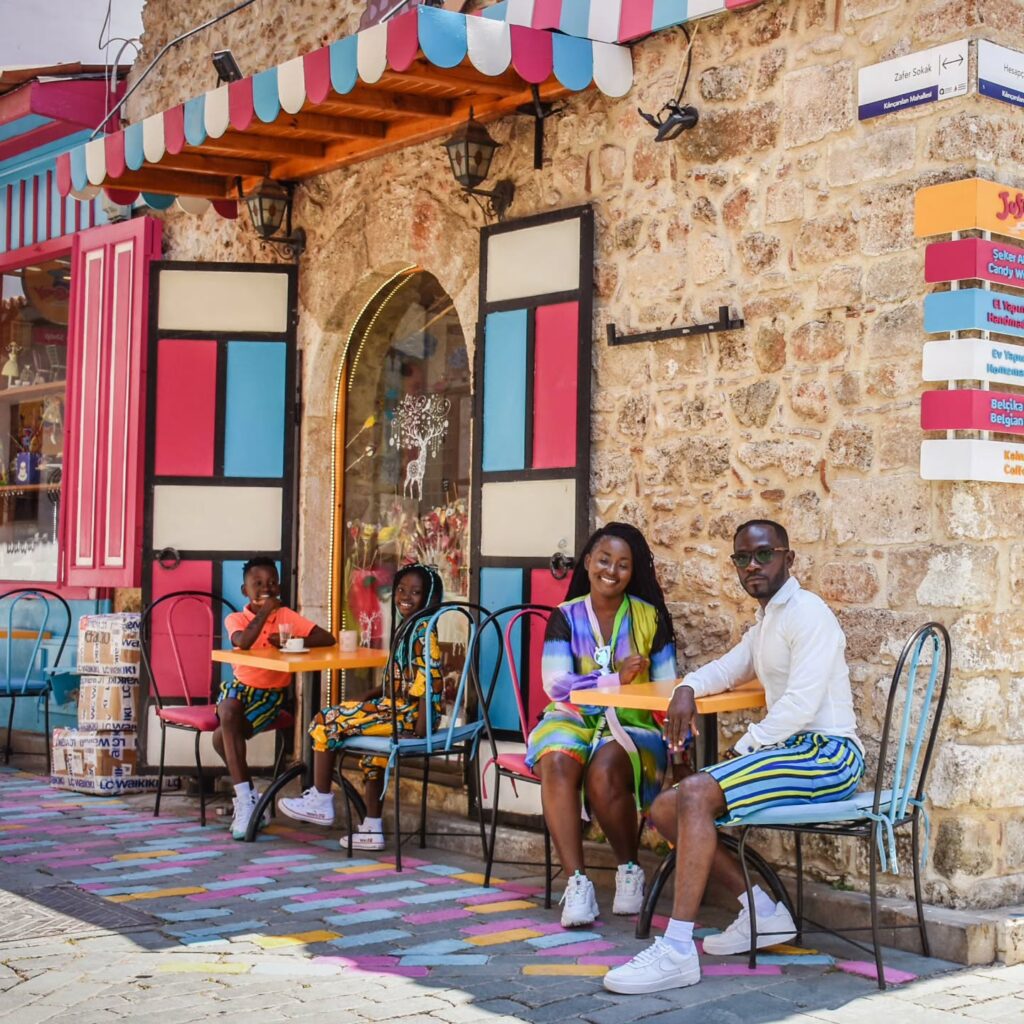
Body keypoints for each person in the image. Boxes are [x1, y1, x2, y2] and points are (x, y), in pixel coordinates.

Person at [604, 519, 865, 995]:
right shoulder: (768, 622)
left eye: (764, 555)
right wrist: (685, 687)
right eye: (742, 559)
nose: (752, 566)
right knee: (665, 807)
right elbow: (727, 668)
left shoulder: (808, 614)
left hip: (829, 755)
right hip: (793, 750)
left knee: (698, 791)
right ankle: (761, 913)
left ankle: (678, 950)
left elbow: (802, 705)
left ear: (789, 558)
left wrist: (743, 746)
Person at [526, 522, 678, 928]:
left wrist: (677, 747)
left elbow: (667, 687)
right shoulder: (566, 616)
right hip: (573, 716)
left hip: (634, 723)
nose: (612, 570)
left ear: (634, 572)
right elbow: (555, 684)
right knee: (556, 758)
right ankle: (577, 884)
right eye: (604, 560)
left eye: (623, 564)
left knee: (606, 770)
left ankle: (629, 868)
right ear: (589, 562)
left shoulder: (650, 618)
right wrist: (613, 680)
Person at [279, 563, 445, 851]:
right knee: (372, 754)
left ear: (429, 597)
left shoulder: (422, 631)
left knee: (325, 720)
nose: (406, 596)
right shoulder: (408, 628)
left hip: (412, 719)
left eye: (416, 592)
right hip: (399, 709)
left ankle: (320, 798)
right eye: (401, 590)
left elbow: (430, 682)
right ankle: (372, 827)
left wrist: (420, 733)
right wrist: (366, 697)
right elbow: (399, 682)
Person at [218, 557, 335, 841]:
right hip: (240, 688)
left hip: (270, 694)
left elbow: (327, 638)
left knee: (220, 735)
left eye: (271, 583)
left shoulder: (286, 617)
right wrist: (265, 612)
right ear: (245, 591)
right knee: (228, 710)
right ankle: (247, 799)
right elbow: (243, 641)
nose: (266, 588)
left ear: (279, 587)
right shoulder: (235, 618)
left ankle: (249, 799)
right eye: (257, 584)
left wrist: (294, 642)